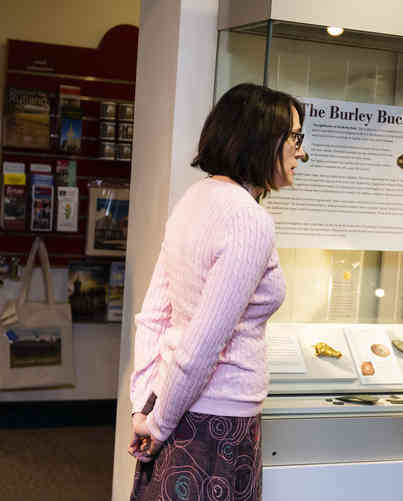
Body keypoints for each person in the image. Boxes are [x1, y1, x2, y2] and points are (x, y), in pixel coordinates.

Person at [127, 83, 306, 501]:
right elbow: (204, 343)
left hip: (169, 408)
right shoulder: (247, 219)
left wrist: (144, 408)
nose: (301, 152)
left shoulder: (194, 198)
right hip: (216, 423)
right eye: (295, 138)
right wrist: (156, 424)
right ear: (262, 138)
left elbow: (154, 317)